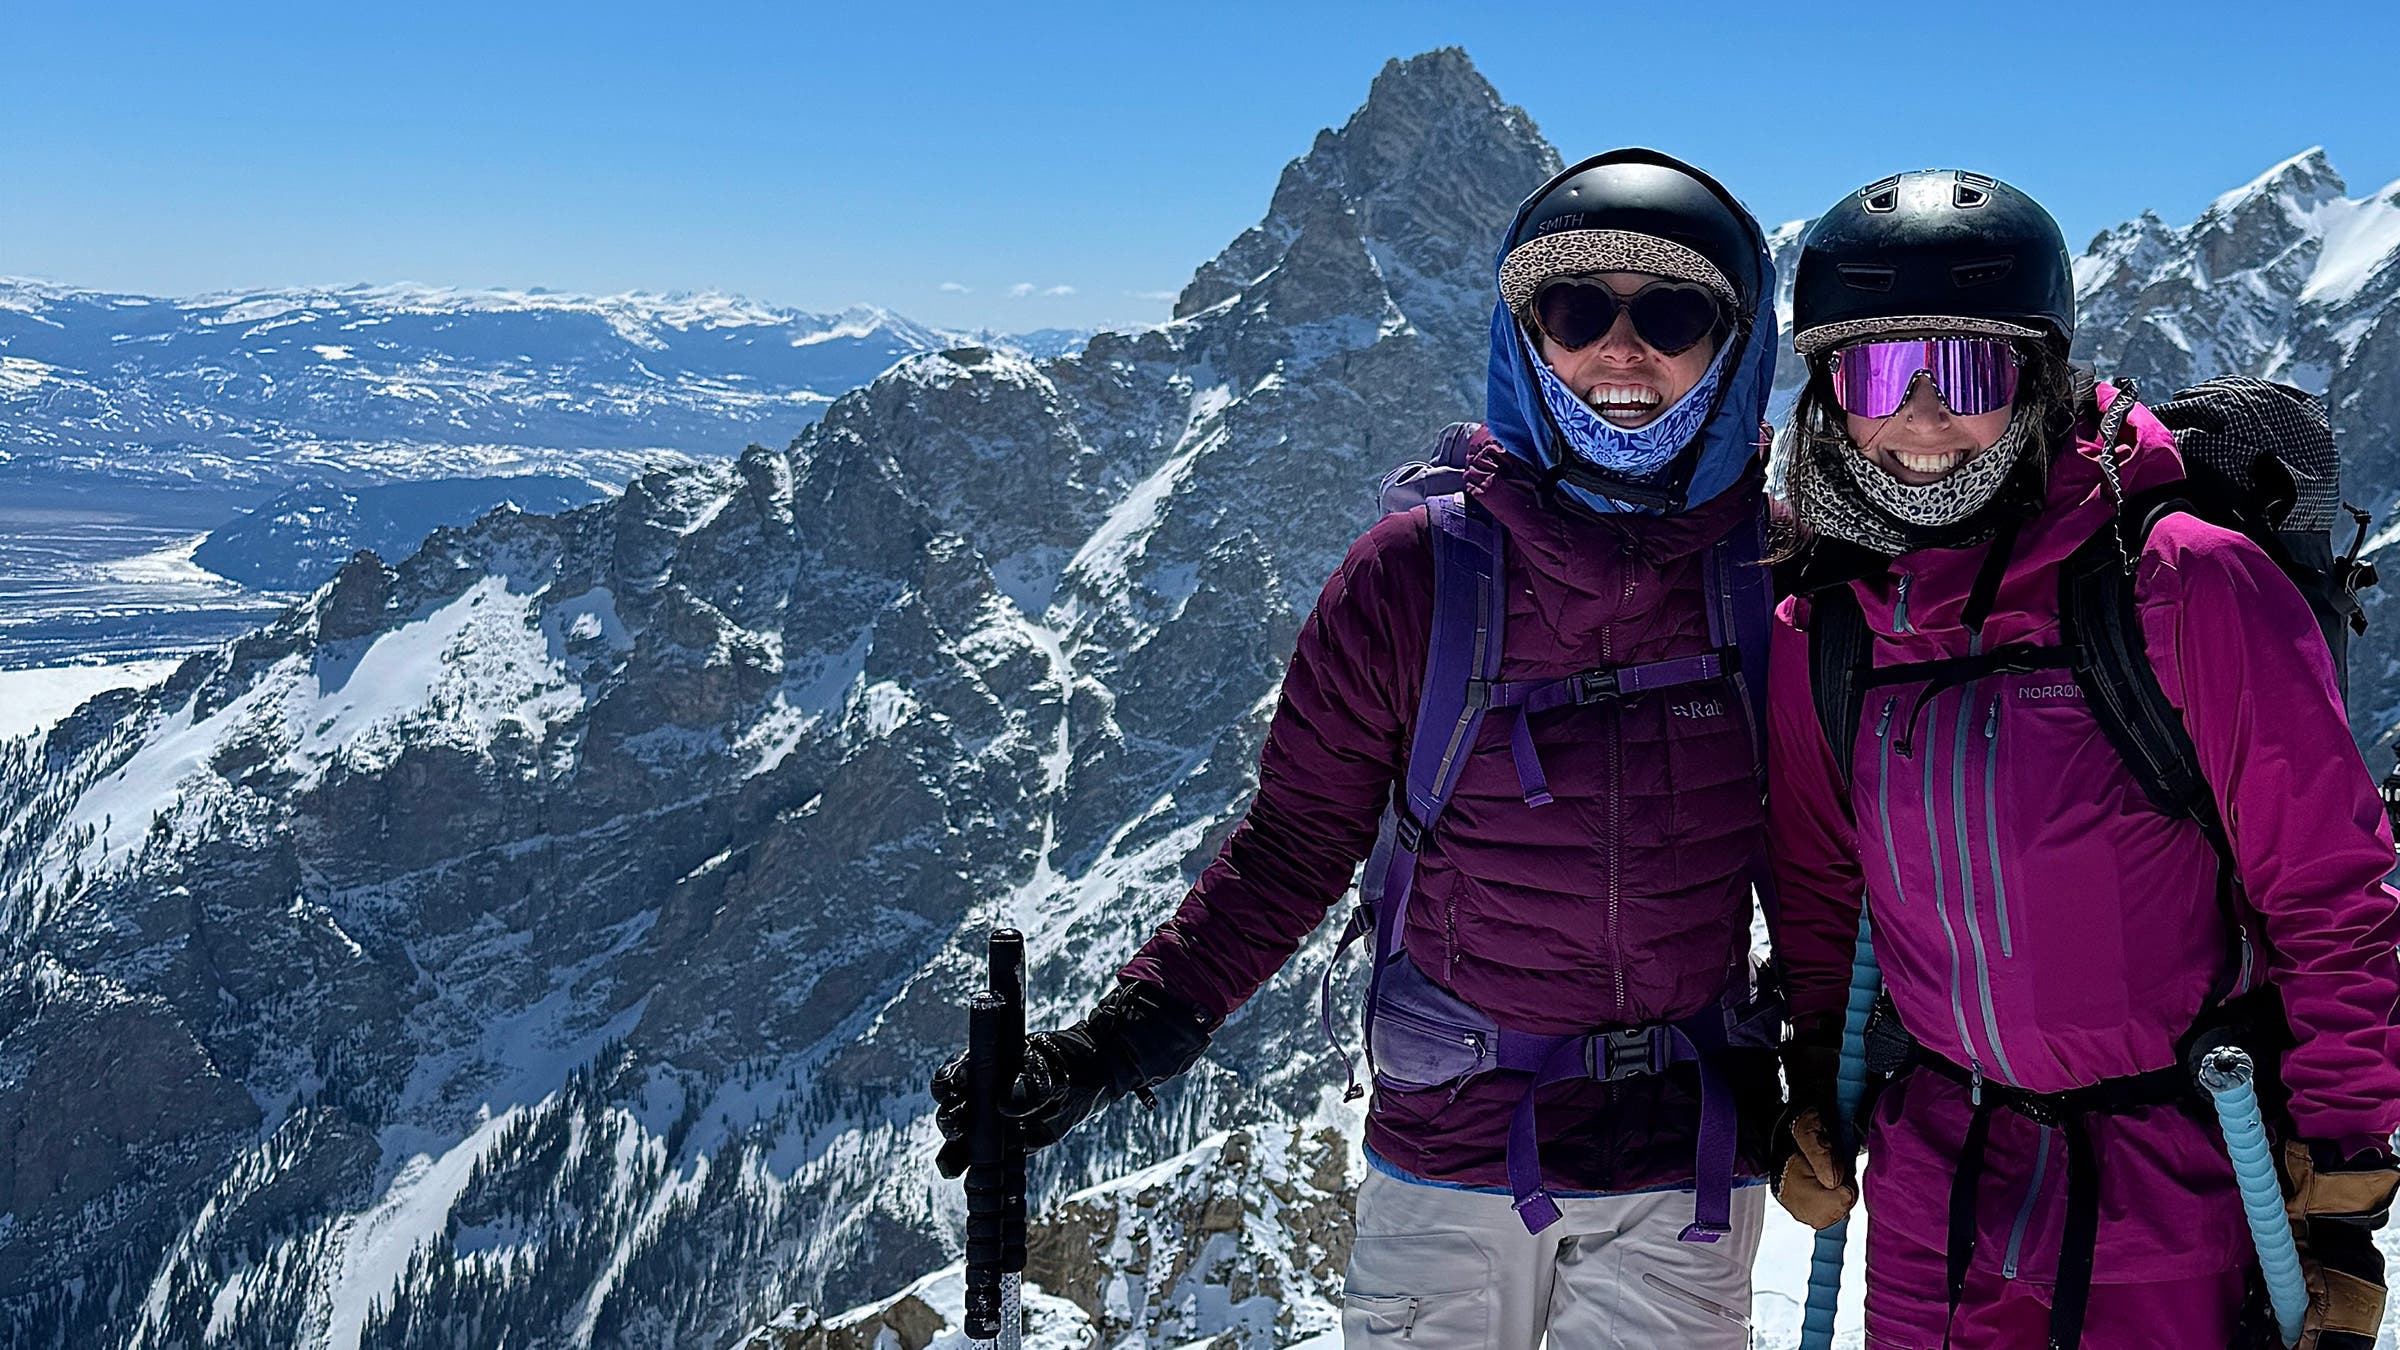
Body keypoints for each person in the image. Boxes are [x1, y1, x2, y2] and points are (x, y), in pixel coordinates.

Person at [931, 148, 1786, 1349]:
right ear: (1526, 336)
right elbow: (1295, 845)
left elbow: (1844, 855)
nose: (1620, 352)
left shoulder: (1777, 580)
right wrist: (1121, 1040)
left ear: (1735, 343)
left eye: (1675, 312)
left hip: (1684, 1156)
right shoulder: (1414, 577)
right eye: (1575, 308)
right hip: (1450, 1147)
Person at [1764, 168, 2400, 1349]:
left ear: (2038, 378)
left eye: (1961, 370)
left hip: (2181, 1178)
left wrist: (2347, 1177)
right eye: (1873, 371)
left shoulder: (2182, 582)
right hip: (1933, 1183)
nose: (1917, 417)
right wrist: (1817, 1074)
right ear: (1829, 393)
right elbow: (1818, 889)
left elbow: (2329, 889)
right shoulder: (1829, 630)